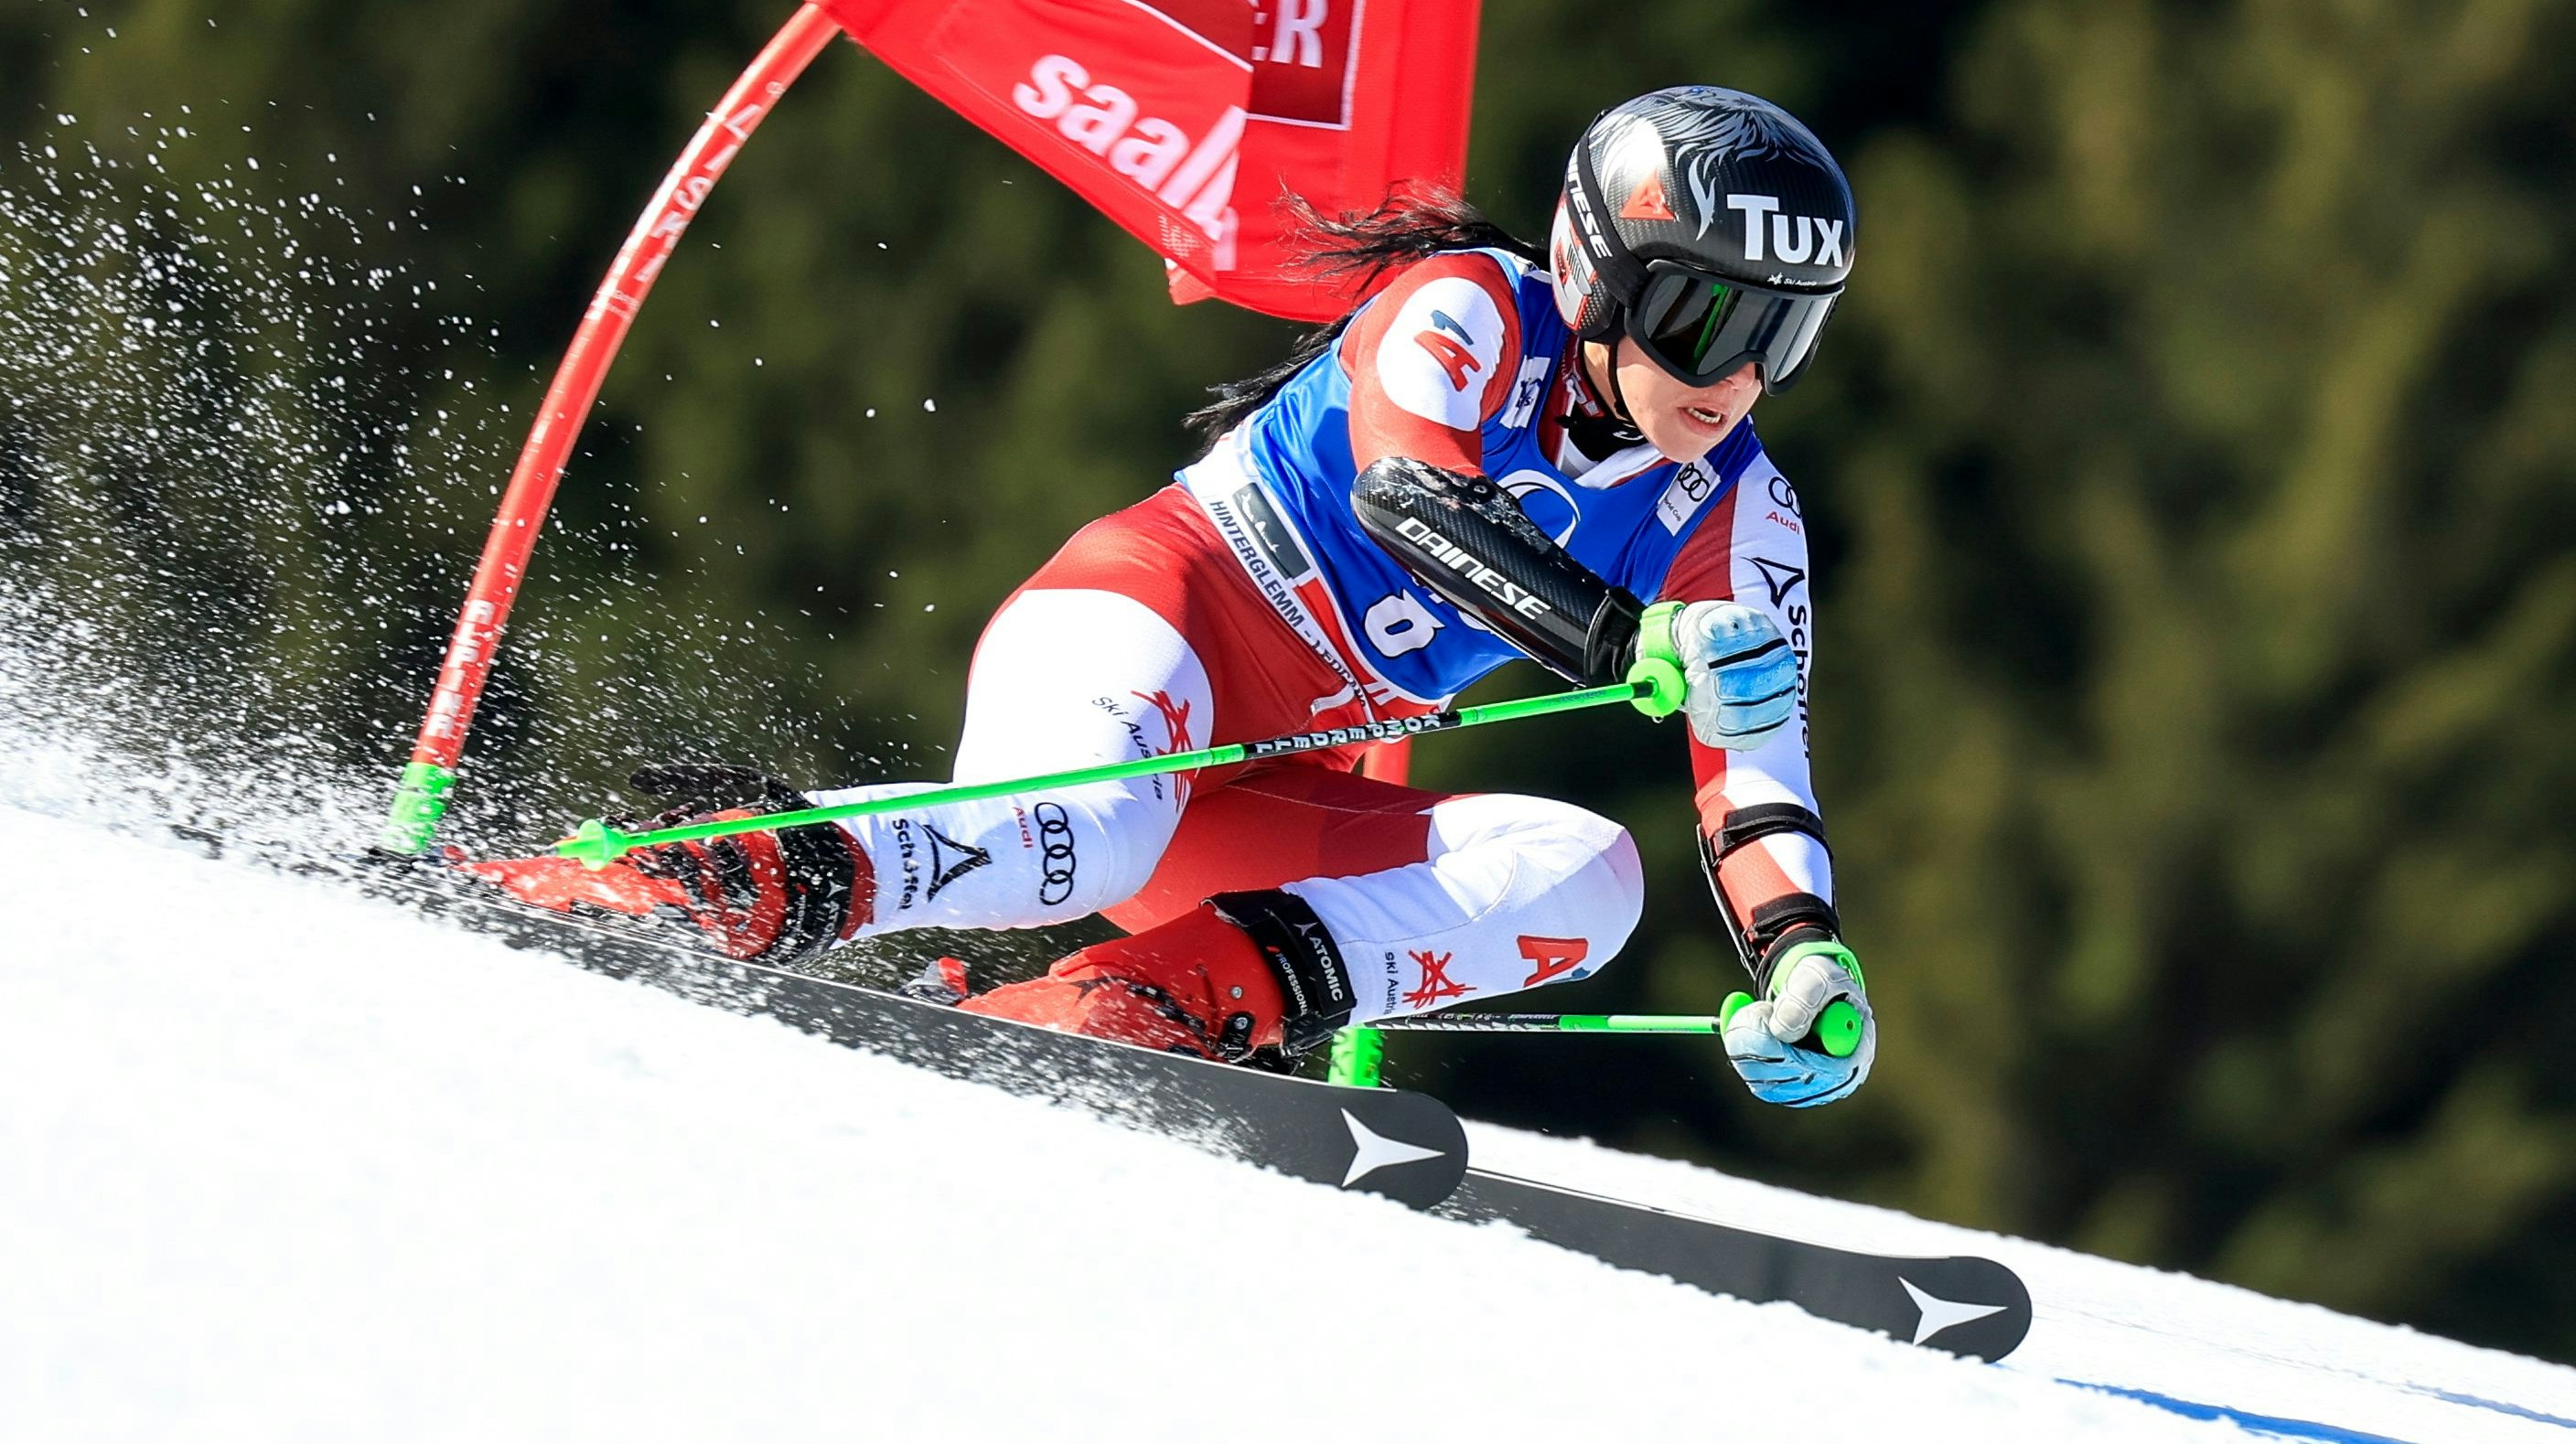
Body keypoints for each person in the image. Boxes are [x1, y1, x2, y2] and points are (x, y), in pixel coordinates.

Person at [471, 86, 1873, 1108]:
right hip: (1154, 625)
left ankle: (1131, 1008)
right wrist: (1630, 637)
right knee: (1079, 835)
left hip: (1266, 781)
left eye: (1786, 333)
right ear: (1594, 276)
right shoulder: (1469, 308)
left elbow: (1756, 774)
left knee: (1591, 877)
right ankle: (677, 878)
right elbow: (1411, 503)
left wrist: (1803, 957)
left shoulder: (1741, 508)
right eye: (1708, 319)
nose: (1740, 377)